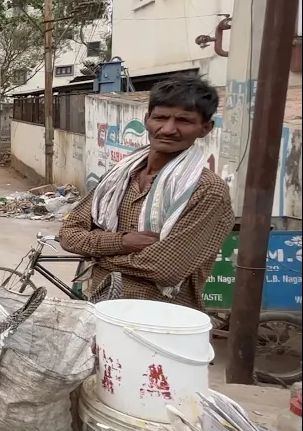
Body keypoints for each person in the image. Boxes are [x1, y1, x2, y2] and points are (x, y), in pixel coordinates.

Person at [59, 76, 234, 308]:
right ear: (147, 120)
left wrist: (96, 254)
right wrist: (122, 242)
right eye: (160, 118)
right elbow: (69, 234)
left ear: (205, 128)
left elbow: (165, 268)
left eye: (184, 121)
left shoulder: (207, 190)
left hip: (161, 321)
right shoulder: (119, 177)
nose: (169, 129)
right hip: (102, 309)